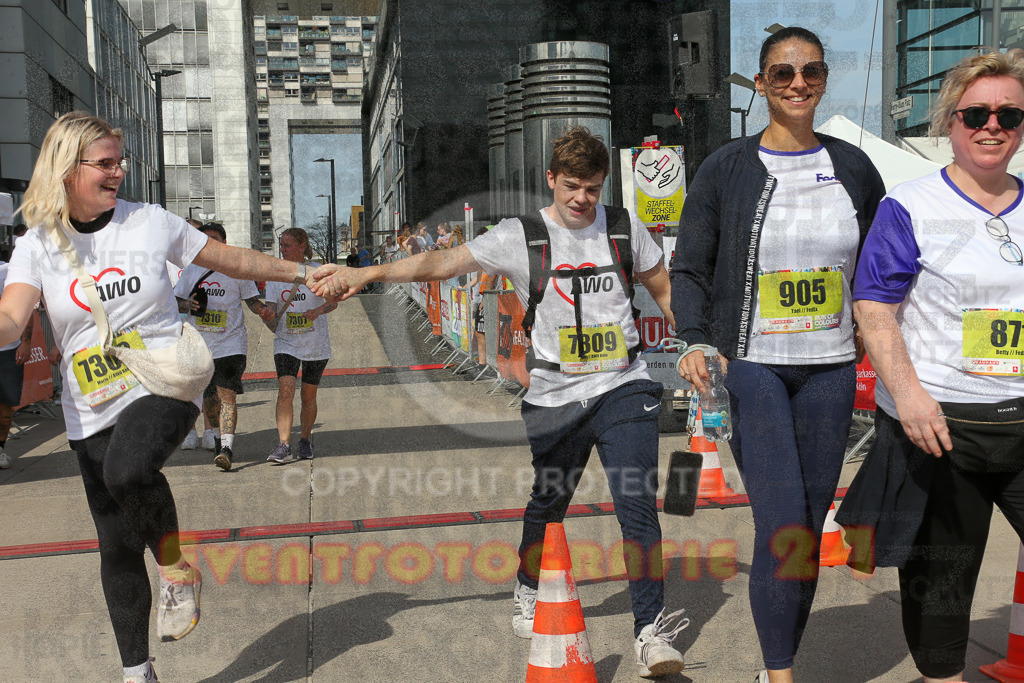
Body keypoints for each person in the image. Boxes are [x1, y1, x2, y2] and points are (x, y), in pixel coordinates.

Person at [311, 125, 687, 678]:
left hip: (622, 384)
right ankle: (529, 584)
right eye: (572, 186)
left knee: (637, 502)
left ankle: (650, 631)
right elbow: (441, 265)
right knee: (550, 501)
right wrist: (366, 272)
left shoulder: (626, 229)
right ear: (552, 181)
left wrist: (697, 340)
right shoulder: (521, 234)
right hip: (556, 396)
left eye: (593, 187)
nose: (583, 198)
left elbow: (662, 285)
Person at [0, 112, 316, 683]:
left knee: (128, 468)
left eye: (120, 160)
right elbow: (10, 317)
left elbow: (234, 260)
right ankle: (137, 671)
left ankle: (175, 570)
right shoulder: (38, 244)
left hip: (166, 376)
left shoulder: (149, 222)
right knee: (116, 545)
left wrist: (303, 272)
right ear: (67, 169)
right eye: (106, 163)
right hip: (89, 400)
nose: (119, 171)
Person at [670, 27, 885, 683]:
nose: (798, 83)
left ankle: (776, 661)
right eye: (783, 73)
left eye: (811, 72)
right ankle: (782, 674)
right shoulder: (725, 168)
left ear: (823, 80)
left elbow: (883, 268)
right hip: (753, 365)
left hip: (830, 368)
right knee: (784, 519)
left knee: (808, 528)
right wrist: (696, 337)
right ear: (760, 83)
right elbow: (689, 268)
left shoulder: (853, 167)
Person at [838, 51, 1024, 683]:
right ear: (951, 121)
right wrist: (910, 396)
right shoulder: (909, 206)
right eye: (976, 114)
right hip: (942, 426)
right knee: (941, 583)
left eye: (1008, 113)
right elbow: (874, 307)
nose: (992, 125)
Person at [174, 222, 275, 471]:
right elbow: (176, 302)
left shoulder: (237, 270)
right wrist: (189, 306)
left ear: (224, 242)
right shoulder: (192, 269)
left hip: (231, 344)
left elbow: (251, 300)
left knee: (227, 395)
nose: (210, 243)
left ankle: (227, 448)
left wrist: (261, 310)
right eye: (205, 239)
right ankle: (219, 440)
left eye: (214, 238)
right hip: (201, 346)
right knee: (209, 401)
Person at [265, 228, 336, 464]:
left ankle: (304, 439)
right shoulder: (276, 272)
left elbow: (333, 302)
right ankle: (283, 445)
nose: (282, 250)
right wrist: (267, 313)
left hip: (315, 342)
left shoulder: (318, 271)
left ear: (302, 246)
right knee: (285, 390)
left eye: (287, 245)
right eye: (281, 245)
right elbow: (272, 306)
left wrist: (317, 310)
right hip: (286, 341)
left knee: (308, 396)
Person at [0, 258, 33, 469]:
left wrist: (26, 342)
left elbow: (25, 307)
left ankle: (1, 448)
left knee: (5, 403)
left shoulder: (7, 270)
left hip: (7, 349)